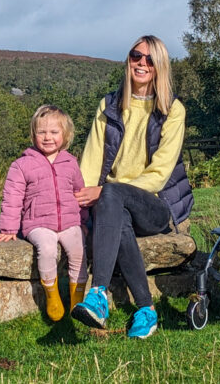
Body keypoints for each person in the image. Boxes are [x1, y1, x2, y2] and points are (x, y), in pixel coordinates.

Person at [72, 35, 194, 339]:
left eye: (150, 59)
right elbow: (91, 157)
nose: (141, 63)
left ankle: (97, 292)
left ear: (160, 66)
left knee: (112, 192)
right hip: (114, 206)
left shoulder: (172, 110)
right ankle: (146, 310)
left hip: (155, 205)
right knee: (116, 214)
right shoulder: (109, 105)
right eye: (136, 56)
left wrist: (105, 192)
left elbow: (160, 174)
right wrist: (82, 201)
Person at [0, 105, 89, 322]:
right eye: (42, 132)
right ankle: (52, 295)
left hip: (69, 221)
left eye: (54, 132)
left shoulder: (71, 163)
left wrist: (84, 221)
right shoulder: (22, 164)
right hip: (37, 223)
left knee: (78, 251)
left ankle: (77, 298)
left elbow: (79, 193)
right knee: (47, 249)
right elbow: (12, 196)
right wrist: (9, 228)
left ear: (65, 135)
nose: (48, 137)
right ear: (33, 134)